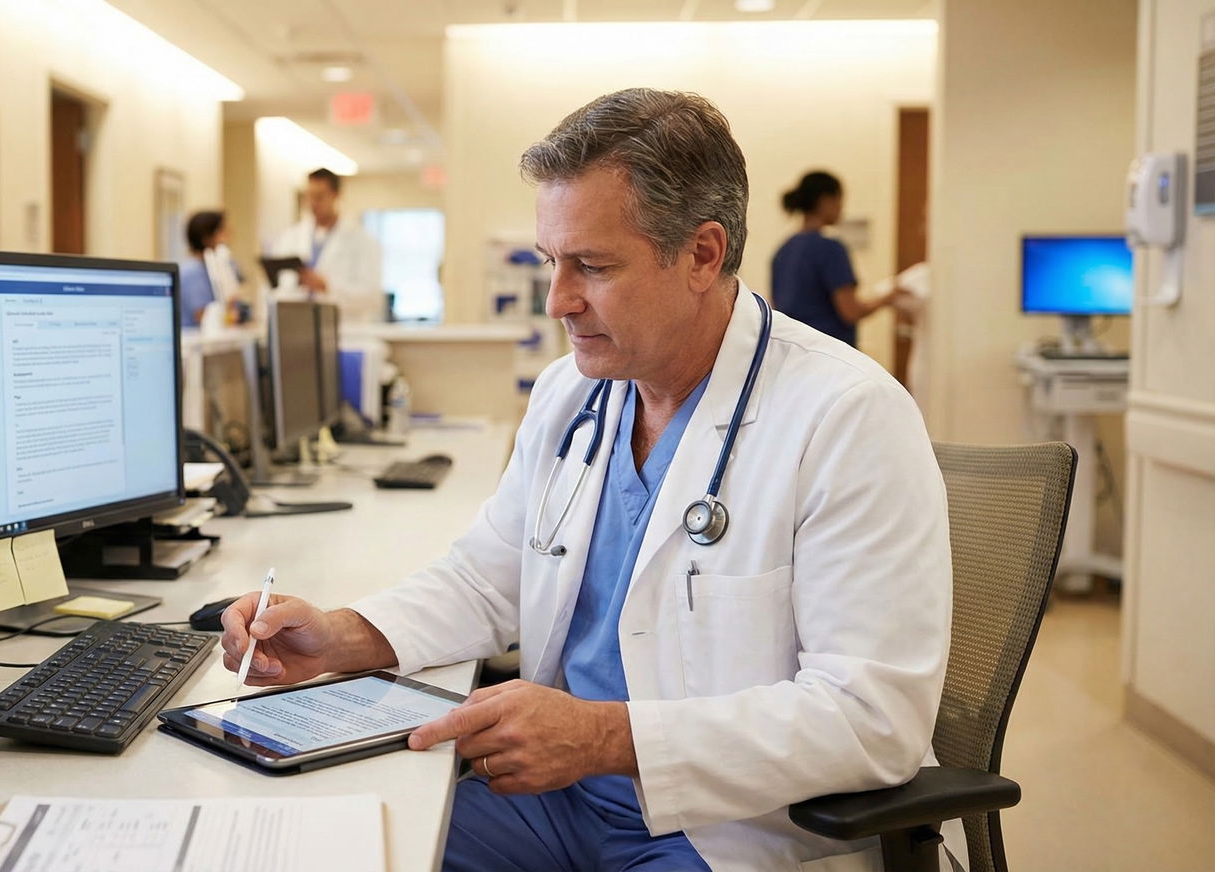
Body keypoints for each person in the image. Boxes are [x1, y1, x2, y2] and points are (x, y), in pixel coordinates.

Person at [221, 89, 959, 872]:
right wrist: (345, 636)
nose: (558, 301)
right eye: (552, 262)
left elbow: (873, 719)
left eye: (593, 267)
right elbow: (486, 578)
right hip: (553, 806)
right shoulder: (571, 394)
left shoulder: (846, 416)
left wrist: (603, 737)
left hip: (728, 829)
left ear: (703, 255)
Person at [769, 170, 904, 347]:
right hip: (826, 354)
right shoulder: (830, 248)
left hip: (791, 353)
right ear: (826, 200)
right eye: (840, 200)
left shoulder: (783, 251)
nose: (842, 208)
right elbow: (850, 311)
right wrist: (886, 297)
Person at [268, 167, 383, 323]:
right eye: (309, 197)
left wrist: (327, 286)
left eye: (319, 197)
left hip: (346, 330)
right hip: (299, 326)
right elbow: (278, 290)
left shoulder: (361, 240)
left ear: (336, 196)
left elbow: (372, 297)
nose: (313, 203)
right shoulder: (290, 237)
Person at [178, 210, 243, 329]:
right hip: (196, 338)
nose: (229, 235)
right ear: (207, 237)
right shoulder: (192, 272)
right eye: (223, 231)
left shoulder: (221, 265)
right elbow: (202, 316)